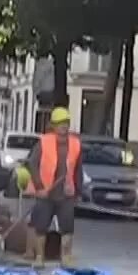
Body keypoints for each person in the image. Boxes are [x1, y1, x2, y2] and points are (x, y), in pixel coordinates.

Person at [23, 106, 84, 266]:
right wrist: (39, 187)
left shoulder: (76, 144)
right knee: (41, 226)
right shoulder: (44, 142)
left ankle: (66, 257)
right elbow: (32, 164)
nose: (64, 126)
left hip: (66, 194)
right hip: (46, 193)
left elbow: (78, 169)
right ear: (54, 125)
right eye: (60, 123)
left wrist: (77, 190)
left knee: (67, 227)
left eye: (66, 123)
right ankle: (39, 257)